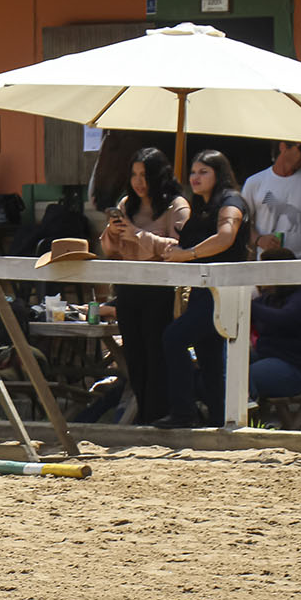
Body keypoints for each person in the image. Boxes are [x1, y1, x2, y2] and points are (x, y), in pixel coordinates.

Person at [155, 150, 250, 428]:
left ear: (218, 174)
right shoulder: (200, 206)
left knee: (174, 338)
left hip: (222, 291)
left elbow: (226, 236)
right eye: (193, 172)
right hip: (200, 290)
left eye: (203, 172)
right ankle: (220, 419)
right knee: (209, 358)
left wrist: (189, 254)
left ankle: (184, 413)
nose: (195, 177)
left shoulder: (231, 201)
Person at [100, 147, 190, 423]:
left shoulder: (177, 206)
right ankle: (142, 414)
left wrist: (139, 235)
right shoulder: (128, 204)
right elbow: (110, 251)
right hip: (128, 288)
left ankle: (157, 415)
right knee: (135, 357)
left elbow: (181, 248)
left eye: (145, 175)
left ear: (158, 176)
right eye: (135, 174)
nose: (139, 181)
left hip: (160, 290)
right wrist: (113, 233)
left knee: (156, 354)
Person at [246, 247, 301, 399]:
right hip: (266, 357)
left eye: (264, 268)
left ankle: (249, 415)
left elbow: (282, 319)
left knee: (243, 377)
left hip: (292, 370)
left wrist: (247, 305)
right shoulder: (269, 298)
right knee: (221, 370)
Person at [243, 141, 301, 261]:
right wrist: (259, 240)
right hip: (268, 260)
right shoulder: (254, 182)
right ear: (283, 147)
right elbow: (243, 223)